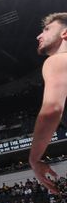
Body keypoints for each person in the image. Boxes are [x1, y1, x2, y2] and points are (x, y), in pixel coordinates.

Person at [30, 13, 67, 192]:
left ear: (65, 34)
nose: (39, 35)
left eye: (46, 29)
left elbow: (52, 110)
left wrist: (34, 159)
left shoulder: (57, 61)